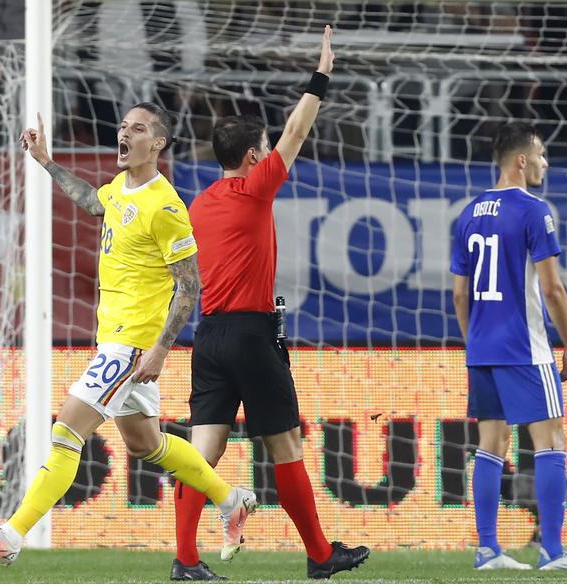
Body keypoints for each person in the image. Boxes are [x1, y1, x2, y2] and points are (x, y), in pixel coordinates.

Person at [0, 103, 258, 567]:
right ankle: (230, 500)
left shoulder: (166, 207)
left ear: (157, 143)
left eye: (137, 128)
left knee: (66, 431)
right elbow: (94, 201)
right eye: (122, 125)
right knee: (146, 444)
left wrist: (160, 349)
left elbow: (190, 285)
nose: (124, 133)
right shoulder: (120, 188)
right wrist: (46, 161)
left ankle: (10, 535)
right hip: (117, 338)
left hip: (131, 345)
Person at [175, 26, 370, 581]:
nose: (270, 153)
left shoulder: (199, 205)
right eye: (263, 148)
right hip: (250, 333)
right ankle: (319, 555)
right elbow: (297, 129)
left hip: (209, 336)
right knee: (285, 446)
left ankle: (185, 560)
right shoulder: (254, 187)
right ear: (252, 156)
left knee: (200, 453)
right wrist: (321, 75)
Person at [450, 122, 567, 571]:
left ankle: (487, 550)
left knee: (491, 444)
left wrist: (474, 342)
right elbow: (553, 290)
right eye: (540, 155)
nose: (545, 163)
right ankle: (552, 551)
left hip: (482, 348)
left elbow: (459, 295)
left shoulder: (469, 213)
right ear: (521, 160)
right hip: (525, 347)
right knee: (551, 439)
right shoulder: (534, 211)